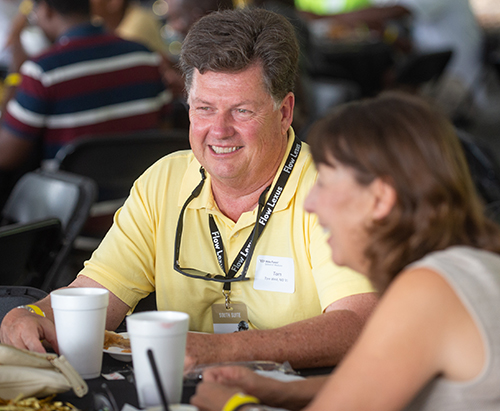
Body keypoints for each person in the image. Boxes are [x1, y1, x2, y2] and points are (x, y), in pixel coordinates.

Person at [0, 7, 377, 371]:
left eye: (242, 110)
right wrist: (32, 315)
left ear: (284, 113)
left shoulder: (333, 187)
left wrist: (220, 350)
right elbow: (95, 294)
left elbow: (358, 322)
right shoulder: (163, 181)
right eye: (204, 108)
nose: (220, 130)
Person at [189, 91, 500, 410]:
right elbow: (378, 379)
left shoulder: (427, 289)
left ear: (379, 199)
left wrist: (235, 406)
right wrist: (277, 390)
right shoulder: (468, 269)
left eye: (326, 182)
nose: (311, 203)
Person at [0, 0, 171, 172]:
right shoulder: (145, 57)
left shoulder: (43, 70)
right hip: (140, 192)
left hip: (71, 196)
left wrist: (15, 74)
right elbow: (164, 128)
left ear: (45, 10)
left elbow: (5, 155)